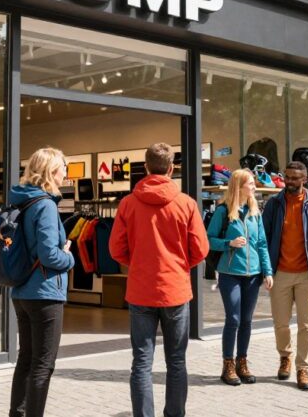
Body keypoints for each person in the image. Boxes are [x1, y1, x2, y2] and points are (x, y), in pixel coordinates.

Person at [109, 142, 210, 417]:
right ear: (172, 167)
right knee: (176, 360)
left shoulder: (129, 203)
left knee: (141, 361)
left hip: (141, 290)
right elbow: (201, 249)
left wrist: (140, 263)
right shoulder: (186, 203)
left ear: (145, 167)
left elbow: (116, 249)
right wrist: (178, 265)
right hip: (175, 290)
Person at [8, 147, 75, 417]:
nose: (66, 174)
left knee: (26, 360)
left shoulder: (23, 200)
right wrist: (68, 257)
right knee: (43, 365)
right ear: (51, 171)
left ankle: (18, 413)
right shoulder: (45, 205)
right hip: (45, 293)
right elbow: (49, 255)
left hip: (22, 291)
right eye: (63, 168)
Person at [261, 161, 308, 391]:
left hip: (307, 274)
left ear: (305, 179)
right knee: (281, 324)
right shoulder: (274, 204)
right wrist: (266, 269)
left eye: (294, 178)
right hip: (280, 273)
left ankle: (303, 368)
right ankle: (285, 356)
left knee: (307, 325)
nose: (289, 181)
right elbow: (264, 238)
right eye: (287, 177)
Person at [206, 168, 273, 386]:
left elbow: (262, 244)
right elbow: (208, 240)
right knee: (233, 319)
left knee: (246, 320)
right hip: (229, 274)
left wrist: (268, 271)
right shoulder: (222, 212)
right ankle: (228, 365)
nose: (254, 186)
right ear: (239, 186)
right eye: (251, 183)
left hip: (252, 275)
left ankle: (242, 362)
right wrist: (229, 244)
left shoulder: (255, 212)